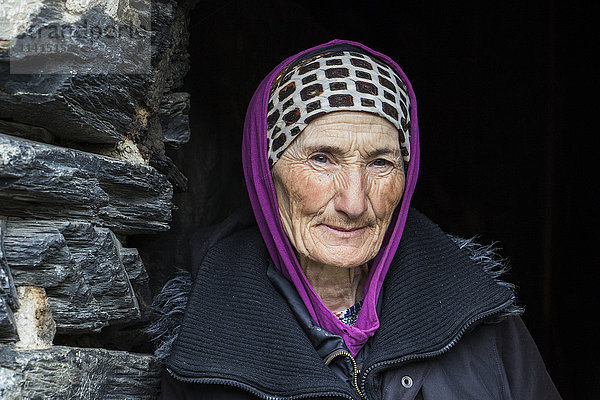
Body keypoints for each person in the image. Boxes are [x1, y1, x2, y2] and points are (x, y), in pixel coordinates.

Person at [150, 39, 562, 399]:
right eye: (322, 159)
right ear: (265, 171)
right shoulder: (202, 338)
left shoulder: (479, 314)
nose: (354, 202)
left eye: (381, 162)